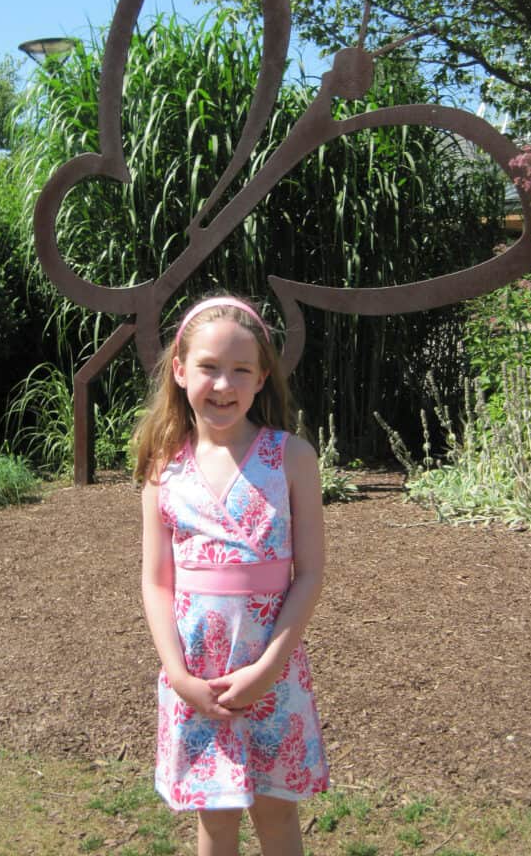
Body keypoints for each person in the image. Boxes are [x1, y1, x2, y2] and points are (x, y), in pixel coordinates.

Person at [133, 295, 329, 856]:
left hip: (273, 671)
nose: (224, 384)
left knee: (276, 816)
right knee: (215, 821)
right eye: (209, 367)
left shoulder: (292, 457)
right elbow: (157, 581)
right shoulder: (163, 468)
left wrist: (269, 668)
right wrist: (179, 676)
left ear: (263, 376)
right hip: (196, 680)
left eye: (241, 369)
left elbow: (310, 574)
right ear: (179, 370)